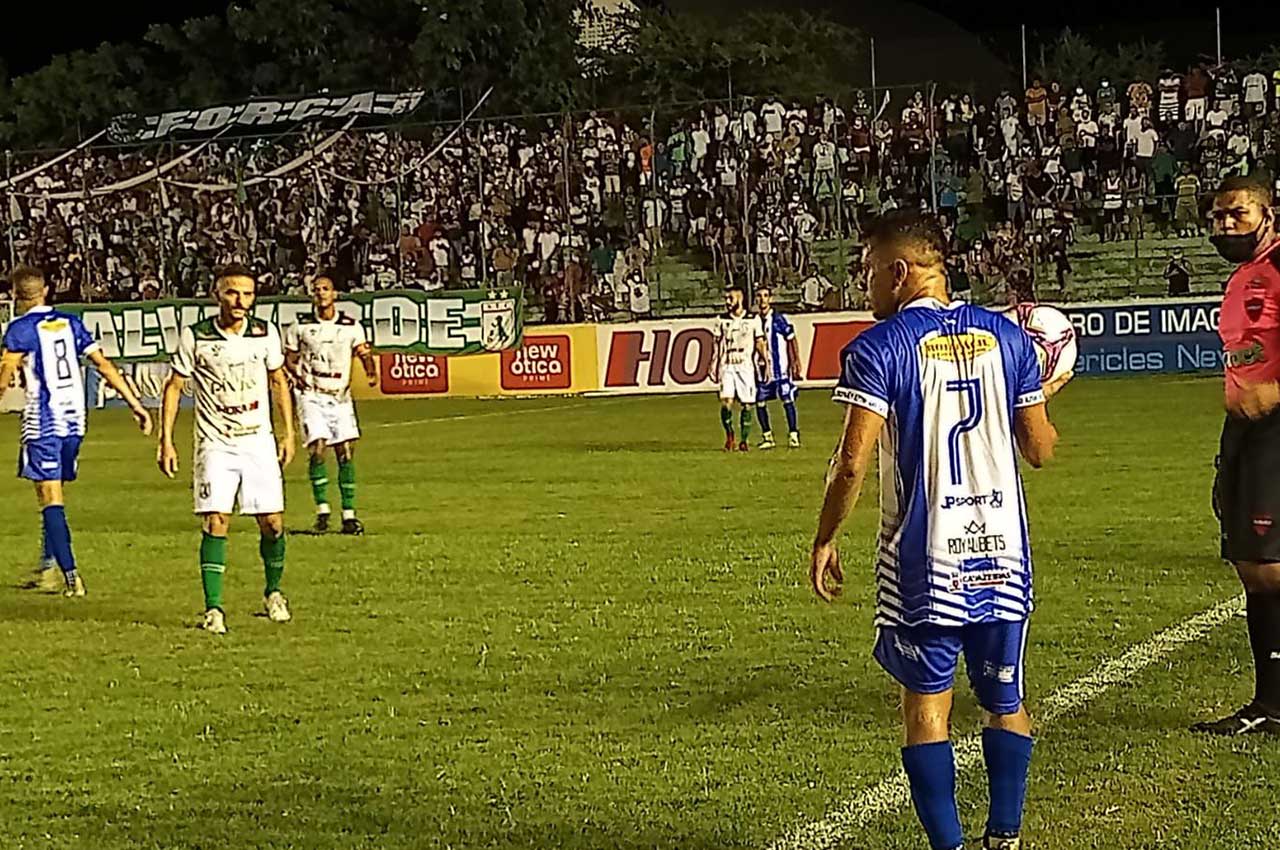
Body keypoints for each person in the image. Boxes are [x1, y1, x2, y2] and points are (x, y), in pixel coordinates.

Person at [808, 210, 1071, 850]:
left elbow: (850, 463)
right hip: (1004, 553)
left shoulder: (877, 350)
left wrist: (824, 538)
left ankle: (951, 847)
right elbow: (1040, 451)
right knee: (1005, 698)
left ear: (899, 273)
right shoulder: (1009, 342)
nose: (863, 284)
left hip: (926, 559)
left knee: (927, 708)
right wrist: (1043, 390)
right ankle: (1004, 835)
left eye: (868, 271)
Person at [157, 263, 297, 636]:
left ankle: (273, 593)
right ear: (217, 293)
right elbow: (174, 386)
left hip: (257, 440)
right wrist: (166, 439)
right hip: (215, 442)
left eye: (247, 294)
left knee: (272, 523)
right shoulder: (197, 336)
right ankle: (214, 609)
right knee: (216, 520)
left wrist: (288, 432)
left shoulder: (265, 334)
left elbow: (278, 381)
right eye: (232, 292)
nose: (240, 301)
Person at [0, 265, 152, 596]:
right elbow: (103, 365)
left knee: (49, 498)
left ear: (15, 296)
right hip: (75, 422)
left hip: (43, 421)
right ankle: (47, 568)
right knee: (53, 493)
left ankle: (70, 576)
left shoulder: (18, 330)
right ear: (46, 291)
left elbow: (4, 377)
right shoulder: (71, 323)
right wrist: (136, 404)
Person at [1199, 175, 1280, 734]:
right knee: (1253, 566)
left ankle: (1273, 705)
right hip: (1245, 433)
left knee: (1268, 568)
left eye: (1238, 213)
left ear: (1268, 213)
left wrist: (1273, 393)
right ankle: (1269, 706)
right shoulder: (1242, 278)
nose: (1226, 224)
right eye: (1218, 216)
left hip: (1275, 428)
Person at [284, 275, 378, 535]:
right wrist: (297, 377)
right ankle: (323, 512)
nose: (321, 293)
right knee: (318, 448)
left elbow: (364, 353)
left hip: (340, 396)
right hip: (312, 394)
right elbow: (288, 359)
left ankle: (349, 515)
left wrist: (371, 372)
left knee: (345, 452)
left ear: (335, 294)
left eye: (326, 289)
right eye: (316, 290)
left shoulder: (350, 326)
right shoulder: (300, 326)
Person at [711, 288, 769, 452]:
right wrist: (713, 363)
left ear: (740, 298)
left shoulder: (753, 319)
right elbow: (716, 343)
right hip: (727, 363)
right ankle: (730, 436)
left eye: (731, 298)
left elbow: (759, 342)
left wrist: (765, 362)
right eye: (726, 298)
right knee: (726, 401)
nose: (728, 302)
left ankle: (744, 440)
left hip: (745, 364)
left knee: (747, 404)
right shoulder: (721, 319)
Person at [753, 286, 803, 450]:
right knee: (759, 401)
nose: (762, 300)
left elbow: (791, 339)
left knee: (787, 399)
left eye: (765, 296)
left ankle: (794, 434)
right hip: (762, 371)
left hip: (780, 369)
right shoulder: (753, 321)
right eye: (759, 296)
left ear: (771, 299)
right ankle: (767, 436)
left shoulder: (778, 319)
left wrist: (796, 360)